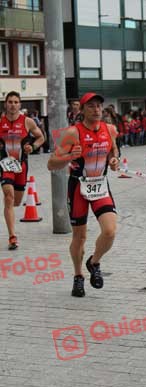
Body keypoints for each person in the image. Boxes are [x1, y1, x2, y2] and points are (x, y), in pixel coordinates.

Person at [47, 92, 120, 297]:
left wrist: (114, 160)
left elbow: (114, 151)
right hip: (78, 187)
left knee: (110, 230)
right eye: (91, 106)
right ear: (82, 110)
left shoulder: (110, 129)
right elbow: (51, 163)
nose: (96, 110)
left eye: (98, 106)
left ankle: (94, 262)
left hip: (100, 186)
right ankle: (78, 276)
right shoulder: (72, 133)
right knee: (80, 236)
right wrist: (71, 156)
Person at [0, 91, 44, 250]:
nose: (12, 105)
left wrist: (32, 147)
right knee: (9, 196)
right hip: (4, 164)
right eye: (10, 102)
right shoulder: (0, 121)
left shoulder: (28, 122)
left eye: (15, 102)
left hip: (21, 166)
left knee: (16, 201)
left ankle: (9, 207)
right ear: (5, 104)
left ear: (20, 104)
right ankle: (12, 236)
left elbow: (41, 138)